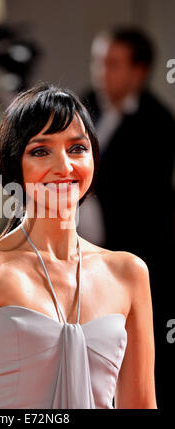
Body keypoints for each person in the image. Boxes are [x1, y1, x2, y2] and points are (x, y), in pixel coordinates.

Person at [0, 83, 157, 409]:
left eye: (77, 148)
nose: (64, 167)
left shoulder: (129, 272)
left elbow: (140, 404)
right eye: (41, 151)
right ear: (14, 165)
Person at [81, 28, 175, 408]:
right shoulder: (84, 105)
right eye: (99, 62)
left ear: (139, 71)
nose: (102, 72)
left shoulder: (159, 123)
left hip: (136, 260)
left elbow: (143, 201)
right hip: (85, 260)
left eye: (113, 64)